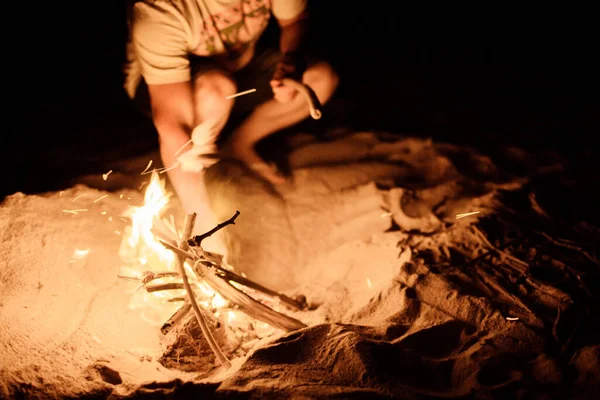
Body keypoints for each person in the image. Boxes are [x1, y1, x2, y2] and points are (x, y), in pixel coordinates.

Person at [123, 0, 339, 251]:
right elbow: (173, 120)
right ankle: (196, 195)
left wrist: (292, 60)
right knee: (216, 89)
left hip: (238, 69)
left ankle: (239, 144)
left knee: (320, 78)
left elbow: (294, 21)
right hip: (166, 85)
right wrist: (203, 225)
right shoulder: (159, 9)